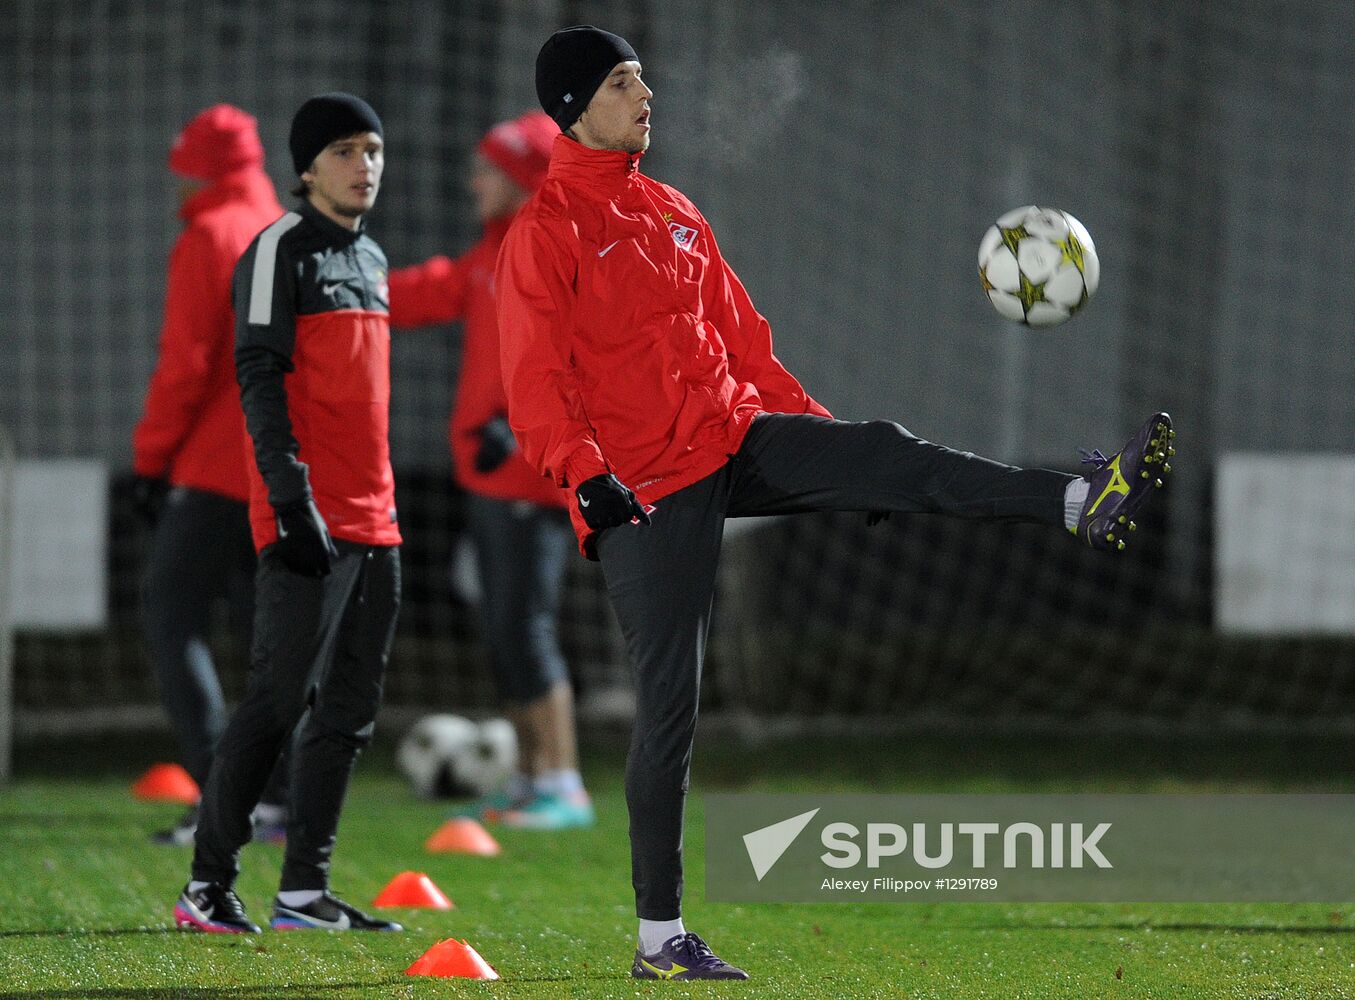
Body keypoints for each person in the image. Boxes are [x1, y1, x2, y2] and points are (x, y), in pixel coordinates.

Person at [496, 26, 1176, 981]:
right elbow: (533, 378)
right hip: (642, 488)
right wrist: (582, 471)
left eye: (644, 75)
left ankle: (1078, 500)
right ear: (573, 107)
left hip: (733, 436)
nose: (644, 91)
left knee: (886, 449)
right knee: (669, 715)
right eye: (620, 81)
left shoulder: (673, 208)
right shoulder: (548, 230)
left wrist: (829, 452)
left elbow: (747, 341)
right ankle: (660, 940)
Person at [173, 93, 403, 935]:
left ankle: (303, 892)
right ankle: (206, 884)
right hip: (305, 518)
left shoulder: (372, 258)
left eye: (372, 149)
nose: (364, 165)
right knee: (274, 702)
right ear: (307, 167)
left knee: (346, 714)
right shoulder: (277, 250)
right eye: (345, 150)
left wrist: (376, 509)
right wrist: (290, 499)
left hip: (378, 526)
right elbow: (258, 383)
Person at [387, 110, 594, 831]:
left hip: (529, 479)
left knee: (526, 625)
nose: (473, 180)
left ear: (521, 176)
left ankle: (563, 782)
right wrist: (345, 285)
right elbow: (431, 288)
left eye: (488, 169)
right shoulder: (492, 252)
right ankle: (533, 777)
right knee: (507, 627)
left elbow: (577, 356)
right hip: (488, 479)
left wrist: (519, 434)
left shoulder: (544, 251)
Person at [131, 104, 288, 846]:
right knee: (265, 628)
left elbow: (186, 363)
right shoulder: (284, 231)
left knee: (171, 614)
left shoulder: (208, 235)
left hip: (217, 462)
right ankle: (277, 796)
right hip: (280, 461)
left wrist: (150, 460)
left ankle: (227, 796)